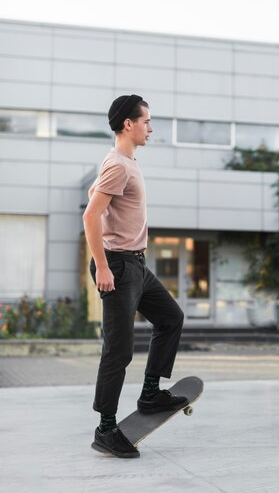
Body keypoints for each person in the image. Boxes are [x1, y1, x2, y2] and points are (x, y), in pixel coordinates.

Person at [83, 94, 187, 459]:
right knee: (119, 350)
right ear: (129, 123)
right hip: (119, 266)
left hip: (135, 265)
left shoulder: (122, 162)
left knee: (171, 317)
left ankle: (150, 393)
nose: (150, 128)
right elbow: (89, 216)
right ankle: (106, 429)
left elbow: (95, 197)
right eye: (146, 121)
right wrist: (104, 266)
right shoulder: (119, 165)